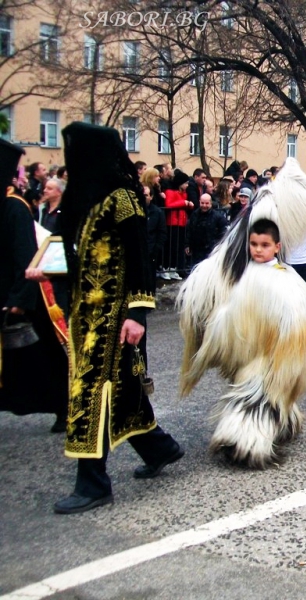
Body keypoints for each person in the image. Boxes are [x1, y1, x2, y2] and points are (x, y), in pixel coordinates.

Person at [51, 122, 183, 515]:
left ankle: (92, 484)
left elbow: (141, 257)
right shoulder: (84, 198)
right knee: (123, 389)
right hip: (85, 314)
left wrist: (137, 313)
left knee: (90, 392)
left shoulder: (123, 197)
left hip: (114, 316)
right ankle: (159, 447)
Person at [178, 157, 306, 467]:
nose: (257, 249)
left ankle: (255, 431)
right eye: (254, 245)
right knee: (262, 374)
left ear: (275, 246)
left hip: (270, 317)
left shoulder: (269, 263)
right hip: (265, 315)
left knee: (263, 375)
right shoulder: (263, 255)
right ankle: (262, 426)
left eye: (264, 245)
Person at [1, 139, 69, 433]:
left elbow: (25, 255)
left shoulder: (14, 208)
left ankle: (65, 406)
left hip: (23, 295)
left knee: (43, 357)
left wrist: (18, 299)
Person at [163, 169, 192, 280]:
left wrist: (188, 204)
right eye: (186, 183)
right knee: (171, 247)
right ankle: (166, 268)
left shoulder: (183, 194)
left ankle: (173, 268)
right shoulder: (170, 192)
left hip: (181, 222)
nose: (187, 185)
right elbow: (169, 204)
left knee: (178, 247)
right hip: (172, 222)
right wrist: (184, 203)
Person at [185, 193, 228, 267]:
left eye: (207, 203)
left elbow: (223, 233)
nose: (204, 205)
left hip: (211, 249)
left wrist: (217, 246)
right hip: (197, 249)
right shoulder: (194, 215)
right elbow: (189, 230)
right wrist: (187, 245)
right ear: (199, 202)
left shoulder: (218, 217)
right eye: (202, 203)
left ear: (211, 203)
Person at [143, 184, 167, 285]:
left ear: (151, 197)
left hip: (151, 250)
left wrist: (155, 250)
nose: (143, 197)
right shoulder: (135, 212)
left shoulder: (158, 212)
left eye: (146, 195)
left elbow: (162, 232)